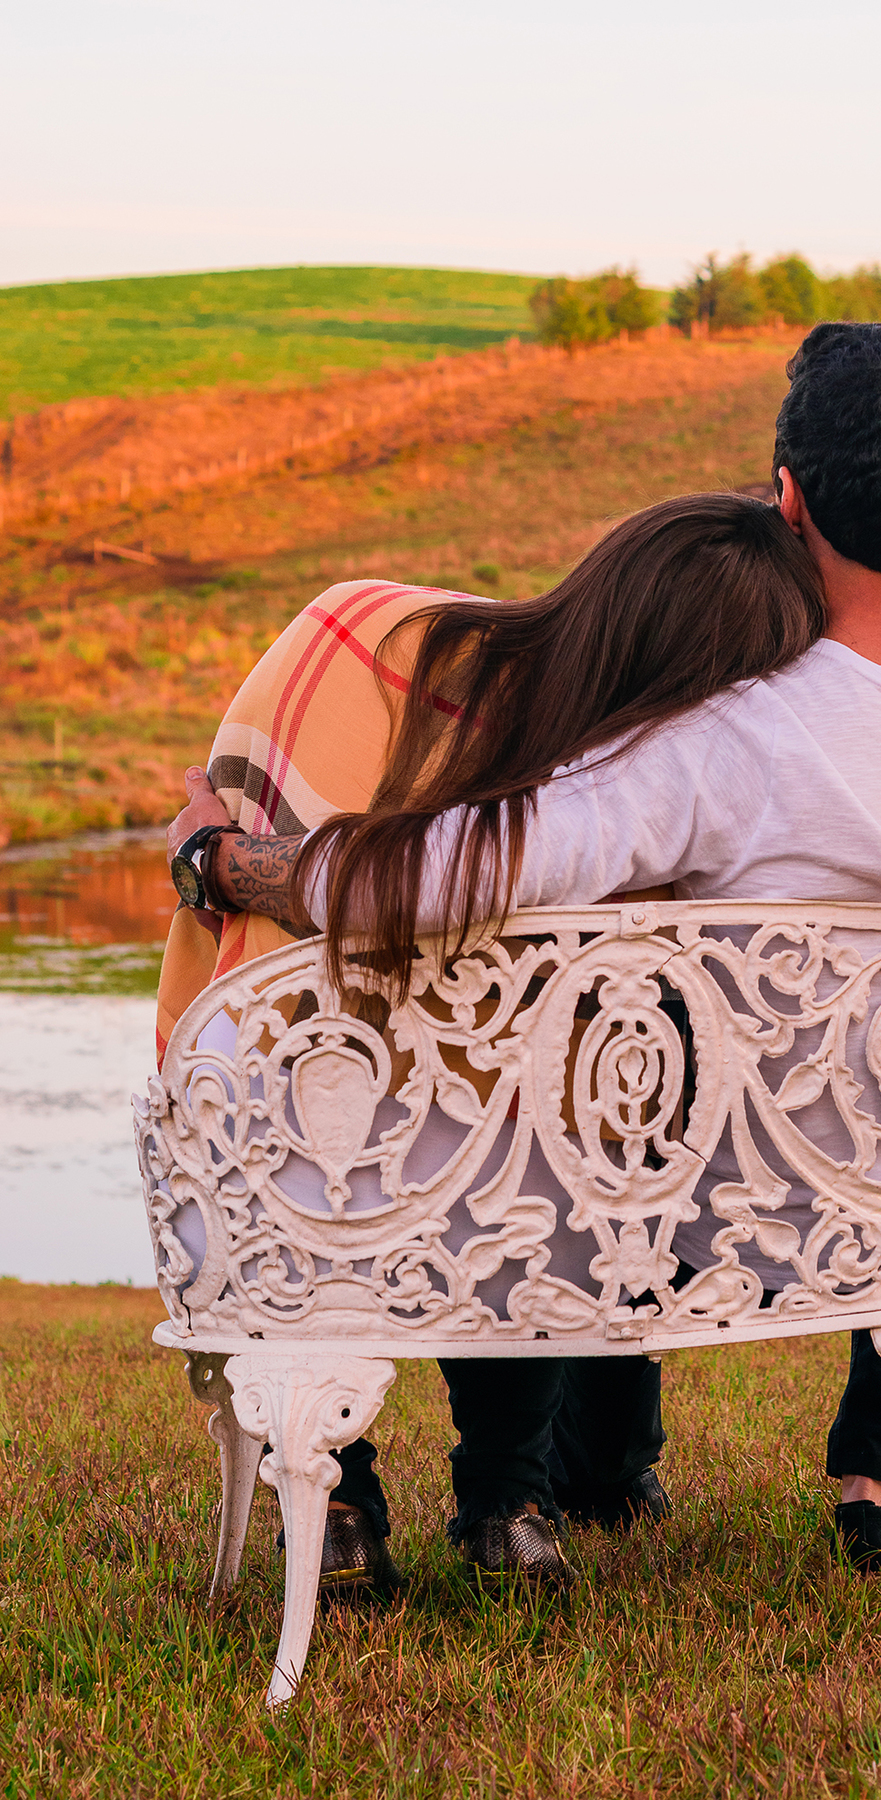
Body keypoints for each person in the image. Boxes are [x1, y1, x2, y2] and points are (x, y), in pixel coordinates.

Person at [169, 322, 881, 1582]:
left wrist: (224, 865)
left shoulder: (725, 735)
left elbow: (446, 881)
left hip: (734, 1224)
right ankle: (871, 1478)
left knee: (569, 1052)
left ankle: (454, 1479)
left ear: (788, 500)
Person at [163, 492, 827, 1590]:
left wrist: (216, 865)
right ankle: (508, 1503)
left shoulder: (362, 632)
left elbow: (269, 906)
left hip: (282, 1168)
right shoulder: (661, 785)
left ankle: (338, 1504)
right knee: (545, 1115)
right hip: (526, 1205)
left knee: (335, 1079)